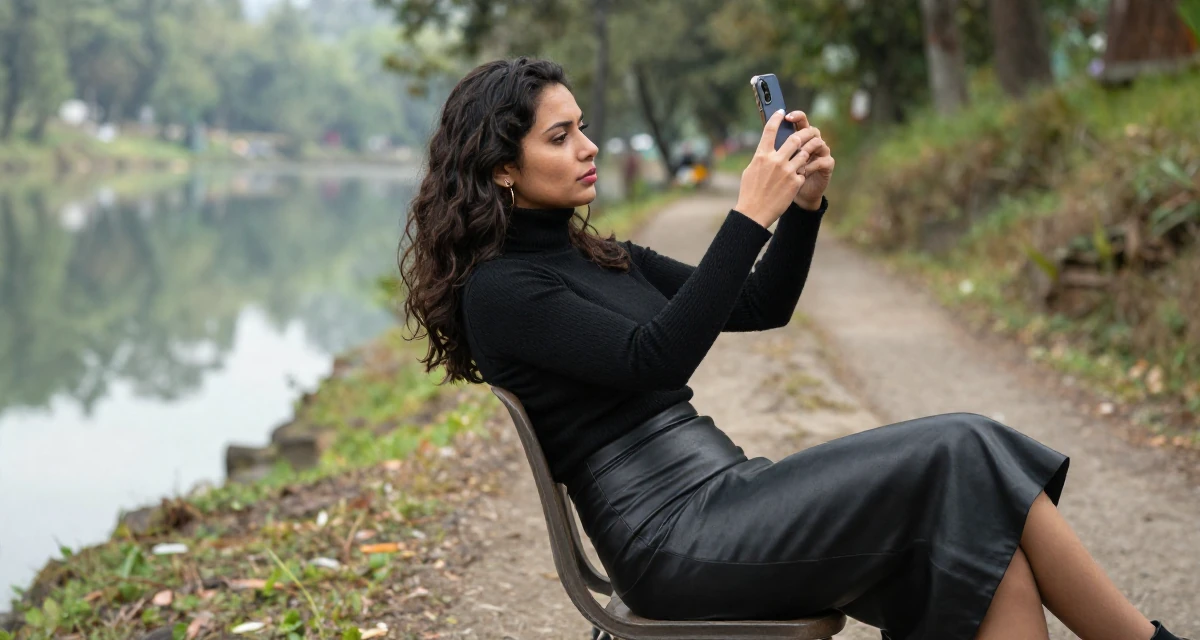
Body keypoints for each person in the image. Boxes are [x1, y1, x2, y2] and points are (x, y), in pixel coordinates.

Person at [397, 57, 1190, 640]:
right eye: (562, 136)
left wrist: (802, 208)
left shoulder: (599, 253)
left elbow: (759, 305)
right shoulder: (500, 292)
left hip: (725, 495)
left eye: (584, 128)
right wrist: (747, 215)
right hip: (671, 539)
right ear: (503, 168)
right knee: (964, 444)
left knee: (990, 544)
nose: (589, 146)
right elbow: (655, 358)